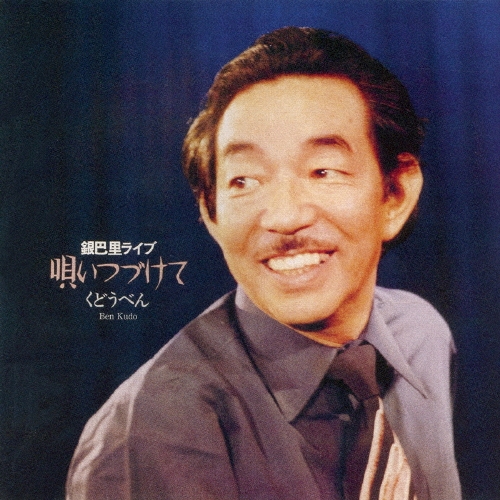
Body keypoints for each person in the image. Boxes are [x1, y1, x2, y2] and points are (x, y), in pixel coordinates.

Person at [66, 27, 461, 500]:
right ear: (210, 212)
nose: (285, 217)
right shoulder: (153, 433)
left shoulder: (421, 335)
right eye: (245, 181)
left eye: (323, 171)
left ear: (395, 195)